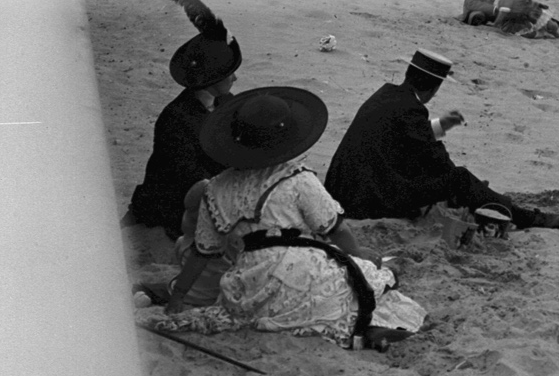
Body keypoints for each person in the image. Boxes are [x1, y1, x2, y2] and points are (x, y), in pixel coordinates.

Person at [142, 85, 426, 350]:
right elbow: (335, 229)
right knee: (377, 281)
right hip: (299, 267)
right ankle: (368, 329)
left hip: (247, 284)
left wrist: (178, 297)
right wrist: (359, 258)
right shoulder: (297, 178)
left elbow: (201, 253)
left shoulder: (216, 188)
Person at [324, 49, 559, 227]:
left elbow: (405, 138)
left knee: (440, 176)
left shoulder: (387, 95)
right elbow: (436, 158)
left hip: (344, 190)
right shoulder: (412, 110)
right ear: (434, 87)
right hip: (369, 200)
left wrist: (441, 126)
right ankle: (529, 218)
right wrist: (462, 185)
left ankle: (481, 198)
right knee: (460, 178)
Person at [122, 0, 243, 238]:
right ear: (211, 80)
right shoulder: (175, 120)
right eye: (230, 74)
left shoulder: (227, 102)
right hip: (172, 205)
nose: (235, 79)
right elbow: (186, 175)